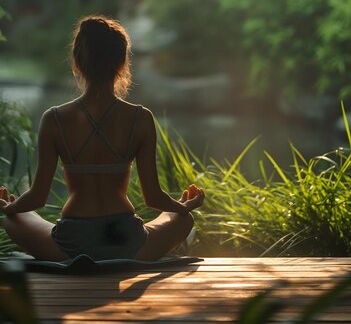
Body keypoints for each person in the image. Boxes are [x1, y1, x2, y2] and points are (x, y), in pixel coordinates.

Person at [0, 15, 204, 261]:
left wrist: (10, 208)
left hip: (72, 240)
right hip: (126, 240)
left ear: (77, 61)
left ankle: (67, 256)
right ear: (121, 63)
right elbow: (153, 197)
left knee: (13, 219)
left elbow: (38, 196)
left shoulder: (53, 119)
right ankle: (130, 255)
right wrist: (181, 207)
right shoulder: (141, 118)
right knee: (184, 220)